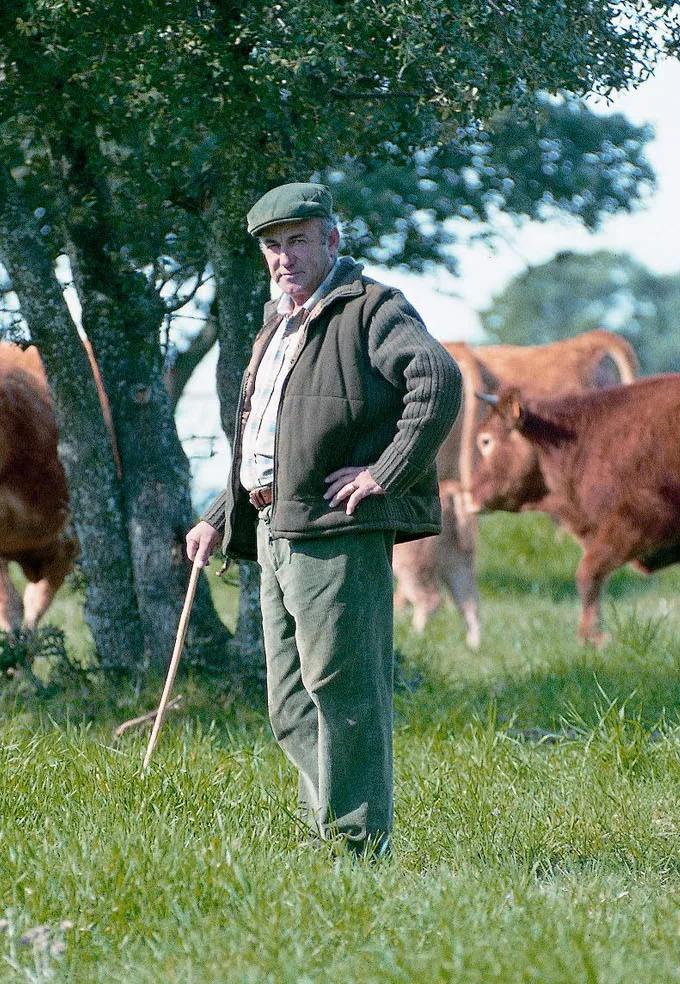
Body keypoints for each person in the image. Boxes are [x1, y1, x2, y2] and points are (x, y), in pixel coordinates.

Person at [186, 181, 462, 857]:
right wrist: (219, 515)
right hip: (276, 527)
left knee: (344, 692)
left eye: (297, 242)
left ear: (331, 241)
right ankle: (332, 831)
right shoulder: (275, 326)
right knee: (289, 704)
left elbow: (439, 380)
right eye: (273, 248)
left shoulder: (372, 308)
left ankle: (357, 847)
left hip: (338, 530)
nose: (284, 258)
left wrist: (382, 474)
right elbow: (267, 441)